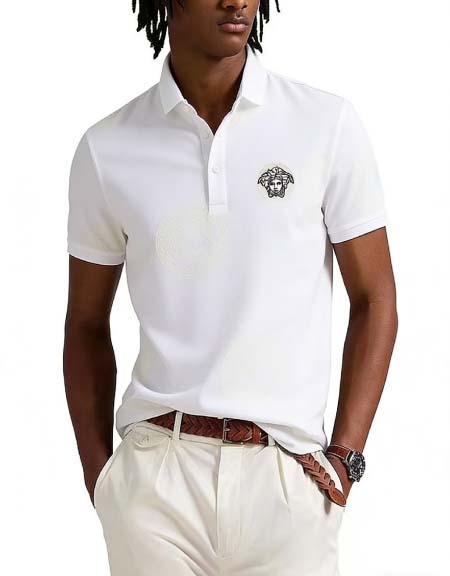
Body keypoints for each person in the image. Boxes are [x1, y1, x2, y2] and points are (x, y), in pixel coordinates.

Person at [63, 1, 398, 574]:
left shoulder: (325, 124)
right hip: (157, 480)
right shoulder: (107, 147)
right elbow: (86, 323)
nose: (237, 1)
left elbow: (376, 299)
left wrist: (345, 458)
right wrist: (104, 481)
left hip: (289, 481)